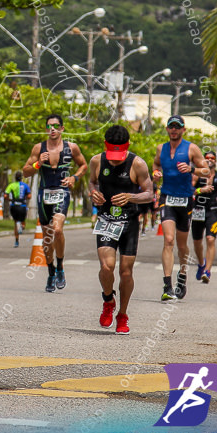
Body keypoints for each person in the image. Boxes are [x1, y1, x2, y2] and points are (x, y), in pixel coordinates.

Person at [87, 125, 153, 336]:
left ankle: (122, 314)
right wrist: (94, 193)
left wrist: (131, 197)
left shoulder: (138, 164)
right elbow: (91, 182)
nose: (115, 160)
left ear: (128, 147)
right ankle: (108, 300)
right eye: (112, 155)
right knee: (107, 266)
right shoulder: (97, 161)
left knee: (125, 272)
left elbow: (149, 193)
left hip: (129, 222)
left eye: (119, 156)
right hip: (106, 219)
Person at [21, 114, 88, 293]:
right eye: (49, 126)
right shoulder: (39, 148)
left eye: (56, 126)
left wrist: (74, 177)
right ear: (46, 129)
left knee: (57, 230)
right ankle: (51, 272)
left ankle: (60, 267)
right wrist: (38, 164)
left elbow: (83, 165)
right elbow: (25, 172)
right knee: (47, 236)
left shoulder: (71, 147)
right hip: (44, 194)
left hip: (62, 192)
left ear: (62, 129)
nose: (53, 129)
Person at [152, 115, 210, 301]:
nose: (174, 130)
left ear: (183, 129)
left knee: (182, 245)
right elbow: (155, 164)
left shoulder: (191, 148)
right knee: (168, 240)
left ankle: (182, 275)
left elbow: (206, 170)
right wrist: (155, 173)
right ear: (167, 129)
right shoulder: (161, 148)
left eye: (177, 127)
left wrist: (192, 170)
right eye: (171, 127)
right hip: (167, 197)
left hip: (185, 199)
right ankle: (167, 285)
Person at [191, 151, 217, 284]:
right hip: (198, 211)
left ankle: (207, 271)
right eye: (207, 158)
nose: (209, 160)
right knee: (197, 242)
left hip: (213, 211)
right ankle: (201, 264)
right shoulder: (196, 176)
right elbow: (188, 189)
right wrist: (199, 191)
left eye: (212, 158)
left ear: (216, 160)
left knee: (210, 239)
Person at [3, 170, 31, 247]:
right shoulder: (25, 185)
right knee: (23, 220)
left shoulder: (11, 185)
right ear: (21, 178)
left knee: (15, 223)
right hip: (22, 206)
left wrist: (10, 199)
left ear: (15, 178)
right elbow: (29, 196)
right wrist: (24, 198)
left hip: (14, 206)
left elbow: (5, 196)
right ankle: (22, 226)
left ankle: (16, 241)